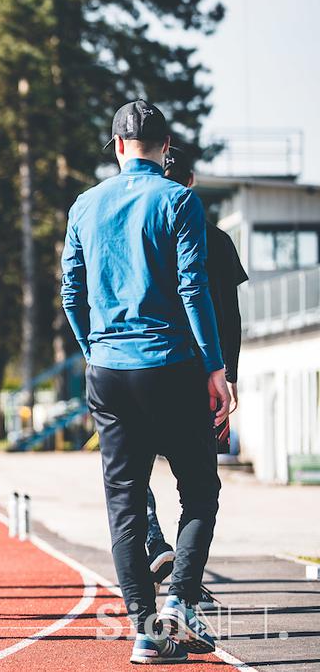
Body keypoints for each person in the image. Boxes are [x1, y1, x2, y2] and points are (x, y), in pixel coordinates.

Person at [61, 100, 231, 664]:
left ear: (116, 147)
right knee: (200, 491)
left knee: (125, 503)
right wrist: (215, 367)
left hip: (110, 370)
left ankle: (143, 629)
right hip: (172, 366)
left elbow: (71, 295)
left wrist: (96, 353)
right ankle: (181, 597)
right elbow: (193, 288)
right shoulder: (179, 199)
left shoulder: (85, 204)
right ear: (164, 149)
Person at [144, 145, 249, 592]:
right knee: (200, 486)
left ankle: (153, 542)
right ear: (190, 182)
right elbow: (230, 314)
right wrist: (229, 374)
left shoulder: (145, 233)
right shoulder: (218, 239)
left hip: (140, 366)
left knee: (128, 472)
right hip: (199, 375)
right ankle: (184, 586)